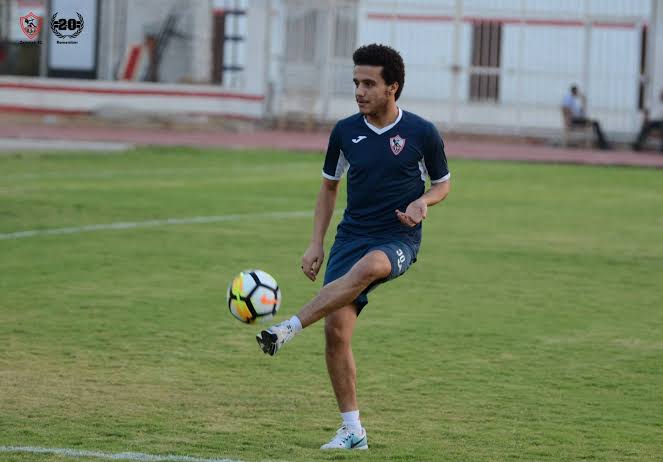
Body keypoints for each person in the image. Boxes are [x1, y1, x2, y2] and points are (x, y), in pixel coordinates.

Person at [256, 44, 451, 450]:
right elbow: (329, 188)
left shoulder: (422, 133)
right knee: (336, 331)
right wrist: (316, 243)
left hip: (397, 238)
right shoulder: (345, 132)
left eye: (369, 84)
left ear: (392, 87)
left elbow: (442, 184)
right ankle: (353, 430)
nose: (359, 91)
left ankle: (287, 328)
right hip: (351, 236)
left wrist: (423, 202)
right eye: (356, 83)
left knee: (372, 266)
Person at [561, 84, 610, 150]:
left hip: (577, 119)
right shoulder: (568, 99)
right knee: (595, 123)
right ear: (575, 91)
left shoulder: (572, 100)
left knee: (595, 123)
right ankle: (603, 144)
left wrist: (582, 99)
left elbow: (580, 109)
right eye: (577, 92)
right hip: (574, 120)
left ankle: (602, 143)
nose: (578, 93)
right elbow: (565, 110)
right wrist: (568, 120)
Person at [632, 87, 663, 152]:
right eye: (662, 93)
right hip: (651, 120)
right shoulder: (654, 101)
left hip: (661, 121)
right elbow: (646, 111)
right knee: (644, 128)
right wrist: (645, 120)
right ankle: (637, 145)